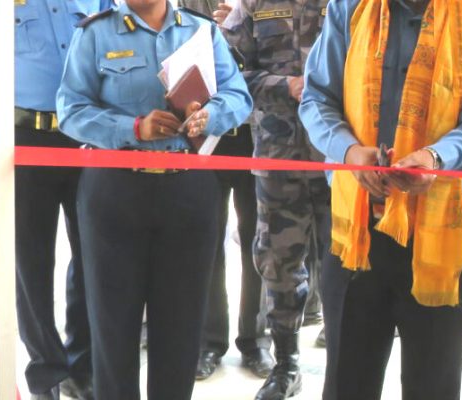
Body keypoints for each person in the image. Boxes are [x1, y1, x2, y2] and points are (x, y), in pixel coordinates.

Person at [299, 0, 462, 398]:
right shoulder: (350, 9)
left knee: (433, 382)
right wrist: (349, 151)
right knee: (347, 380)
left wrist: (436, 158)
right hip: (357, 227)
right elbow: (316, 98)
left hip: (444, 229)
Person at [56, 0, 252, 398]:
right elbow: (71, 110)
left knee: (181, 328)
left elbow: (238, 96)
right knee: (113, 327)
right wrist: (134, 128)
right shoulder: (95, 33)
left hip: (187, 191)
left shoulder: (200, 31)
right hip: (115, 194)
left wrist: (210, 115)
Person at [220, 1, 332, 398]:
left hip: (342, 158)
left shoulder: (355, 5)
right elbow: (227, 72)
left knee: (347, 266)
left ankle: (347, 362)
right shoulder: (254, 6)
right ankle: (286, 365)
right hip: (278, 156)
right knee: (278, 264)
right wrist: (284, 86)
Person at [174, 0, 275, 381]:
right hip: (203, 138)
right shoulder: (185, 6)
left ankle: (256, 339)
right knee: (205, 239)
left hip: (260, 135)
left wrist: (239, 25)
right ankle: (207, 340)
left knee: (259, 239)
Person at [14, 0, 110, 398]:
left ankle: (81, 364)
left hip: (86, 135)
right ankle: (46, 372)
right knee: (30, 260)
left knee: (93, 253)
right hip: (22, 138)